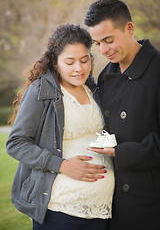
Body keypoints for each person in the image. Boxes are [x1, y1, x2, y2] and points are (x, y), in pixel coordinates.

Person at [6, 24, 115, 230]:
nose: (79, 68)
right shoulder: (41, 90)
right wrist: (62, 165)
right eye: (70, 62)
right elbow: (16, 143)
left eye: (84, 60)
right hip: (59, 211)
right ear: (55, 62)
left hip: (101, 210)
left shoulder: (94, 89)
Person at [84, 0, 160, 230]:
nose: (103, 50)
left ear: (129, 28)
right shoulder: (106, 76)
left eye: (108, 40)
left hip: (150, 204)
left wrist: (122, 152)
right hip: (112, 204)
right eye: (97, 43)